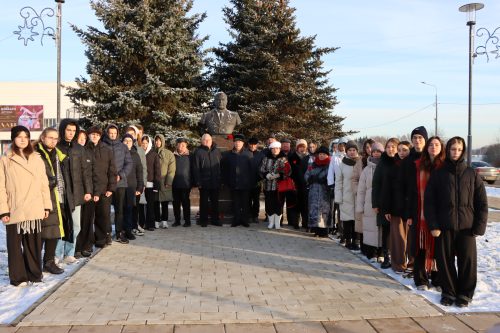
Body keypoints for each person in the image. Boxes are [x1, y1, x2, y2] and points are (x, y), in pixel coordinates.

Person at [425, 137, 488, 307]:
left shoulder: (471, 174)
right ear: (448, 150)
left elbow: (482, 203)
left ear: (463, 151)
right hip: (444, 227)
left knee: (467, 262)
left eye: (459, 149)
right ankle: (449, 292)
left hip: (467, 228)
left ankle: (465, 294)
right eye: (453, 149)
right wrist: (433, 225)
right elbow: (429, 202)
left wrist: (479, 226)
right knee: (445, 262)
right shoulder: (438, 174)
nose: (456, 152)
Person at [0, 126, 51, 286]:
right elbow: (1, 186)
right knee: (14, 246)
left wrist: (46, 206)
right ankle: (18, 277)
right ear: (13, 138)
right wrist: (3, 210)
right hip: (15, 208)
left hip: (34, 207)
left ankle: (34, 274)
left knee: (33, 244)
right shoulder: (5, 159)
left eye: (26, 136)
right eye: (19, 136)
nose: (23, 139)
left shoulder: (37, 158)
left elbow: (44, 183)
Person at [408, 136, 445, 290]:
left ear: (441, 148)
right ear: (427, 147)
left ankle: (437, 279)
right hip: (420, 213)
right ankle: (421, 279)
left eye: (437, 145)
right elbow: (411, 191)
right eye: (431, 145)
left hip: (440, 213)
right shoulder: (417, 166)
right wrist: (410, 214)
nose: (433, 147)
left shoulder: (445, 166)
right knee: (421, 246)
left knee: (438, 247)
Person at [56, 119, 93, 264]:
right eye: (68, 130)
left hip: (77, 193)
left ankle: (69, 252)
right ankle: (57, 254)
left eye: (73, 131)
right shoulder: (57, 147)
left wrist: (88, 190)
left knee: (76, 225)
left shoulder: (79, 149)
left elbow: (86, 172)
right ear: (63, 130)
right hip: (62, 194)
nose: (71, 133)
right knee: (61, 226)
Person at [35, 128, 69, 275]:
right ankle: (35, 263)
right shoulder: (36, 153)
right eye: (50, 138)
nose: (53, 141)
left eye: (56, 139)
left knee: (54, 231)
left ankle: (48, 262)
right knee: (40, 233)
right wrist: (50, 182)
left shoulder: (57, 154)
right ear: (42, 138)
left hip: (56, 196)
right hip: (41, 196)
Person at [374, 138, 407, 272]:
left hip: (397, 203)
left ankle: (397, 256)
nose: (391, 149)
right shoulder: (382, 163)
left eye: (393, 147)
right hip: (384, 202)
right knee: (386, 230)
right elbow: (375, 184)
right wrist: (375, 203)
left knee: (397, 232)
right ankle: (386, 256)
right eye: (388, 147)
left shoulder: (400, 162)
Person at [400, 126, 428, 278]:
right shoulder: (407, 161)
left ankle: (431, 270)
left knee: (429, 241)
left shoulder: (430, 157)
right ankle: (416, 270)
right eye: (415, 138)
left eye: (420, 138)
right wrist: (406, 212)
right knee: (415, 241)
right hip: (413, 207)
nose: (417, 140)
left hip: (430, 206)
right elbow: (402, 188)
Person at [86, 126, 117, 248]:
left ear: (100, 136)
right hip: (88, 190)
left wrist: (111, 188)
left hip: (104, 190)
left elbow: (112, 170)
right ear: (89, 135)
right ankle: (88, 242)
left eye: (97, 135)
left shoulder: (107, 150)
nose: (95, 137)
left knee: (102, 216)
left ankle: (101, 240)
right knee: (88, 218)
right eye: (92, 134)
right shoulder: (84, 149)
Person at [102, 124, 132, 244]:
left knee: (119, 209)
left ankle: (119, 232)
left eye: (115, 133)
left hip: (120, 183)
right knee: (106, 210)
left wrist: (121, 175)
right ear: (107, 133)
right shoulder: (103, 145)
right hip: (106, 184)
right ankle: (107, 233)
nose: (113, 135)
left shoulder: (123, 147)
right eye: (110, 133)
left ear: (117, 133)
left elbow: (129, 163)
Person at [357, 141, 384, 261]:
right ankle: (372, 252)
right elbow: (361, 190)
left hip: (383, 202)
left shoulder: (386, 167)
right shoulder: (366, 170)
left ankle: (382, 252)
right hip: (369, 203)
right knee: (370, 229)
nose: (376, 153)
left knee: (382, 229)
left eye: (379, 151)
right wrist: (360, 206)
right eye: (374, 151)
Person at [221, 134, 253, 227]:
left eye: (240, 142)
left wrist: (250, 182)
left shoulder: (248, 154)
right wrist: (226, 181)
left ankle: (244, 220)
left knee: (245, 203)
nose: (238, 143)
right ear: (233, 143)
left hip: (245, 184)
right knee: (236, 203)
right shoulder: (228, 155)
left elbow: (252, 170)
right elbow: (225, 169)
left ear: (243, 143)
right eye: (236, 142)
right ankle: (236, 220)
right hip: (233, 183)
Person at [192, 134, 222, 227]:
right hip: (204, 182)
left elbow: (221, 166)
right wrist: (198, 182)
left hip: (215, 181)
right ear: (201, 141)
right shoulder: (198, 152)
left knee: (215, 202)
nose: (207, 141)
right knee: (203, 202)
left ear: (211, 140)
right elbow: (195, 168)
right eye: (204, 140)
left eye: (208, 140)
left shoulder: (217, 151)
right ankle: (203, 220)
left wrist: (220, 179)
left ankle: (215, 220)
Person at [259, 141, 291, 230]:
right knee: (269, 204)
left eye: (277, 148)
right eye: (273, 148)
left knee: (278, 205)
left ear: (279, 149)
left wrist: (279, 175)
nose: (275, 150)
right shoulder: (266, 158)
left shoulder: (283, 159)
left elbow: (288, 171)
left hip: (279, 187)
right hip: (268, 186)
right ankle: (271, 222)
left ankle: (277, 223)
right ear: (271, 149)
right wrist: (266, 175)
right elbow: (261, 169)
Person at [335, 140, 359, 249]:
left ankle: (356, 241)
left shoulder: (361, 162)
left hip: (358, 196)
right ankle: (348, 241)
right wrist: (339, 197)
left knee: (357, 220)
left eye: (354, 150)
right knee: (348, 220)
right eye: (350, 150)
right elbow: (338, 181)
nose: (352, 152)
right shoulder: (342, 164)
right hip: (346, 196)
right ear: (346, 151)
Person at [75, 129, 95, 258]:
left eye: (84, 137)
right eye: (80, 137)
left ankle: (87, 245)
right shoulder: (73, 152)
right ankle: (77, 247)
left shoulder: (90, 152)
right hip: (76, 193)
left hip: (89, 192)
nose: (82, 140)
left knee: (87, 220)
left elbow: (95, 173)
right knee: (77, 221)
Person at [352, 138, 375, 252]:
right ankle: (363, 246)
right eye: (367, 147)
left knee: (373, 225)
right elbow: (354, 178)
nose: (369, 149)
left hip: (374, 198)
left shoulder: (381, 161)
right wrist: (358, 191)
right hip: (362, 196)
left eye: (371, 146)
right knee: (362, 223)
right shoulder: (360, 161)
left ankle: (373, 249)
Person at [125, 125, 147, 236]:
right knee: (128, 207)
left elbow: (142, 168)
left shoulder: (139, 149)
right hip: (125, 184)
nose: (131, 136)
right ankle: (129, 227)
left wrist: (142, 183)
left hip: (137, 183)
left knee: (136, 206)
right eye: (129, 133)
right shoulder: (123, 147)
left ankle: (135, 225)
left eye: (133, 134)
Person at [305, 146, 331, 237]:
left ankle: (324, 231)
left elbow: (332, 177)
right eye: (320, 154)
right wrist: (310, 179)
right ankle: (315, 229)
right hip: (313, 191)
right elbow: (306, 175)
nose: (322, 156)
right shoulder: (313, 164)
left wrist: (325, 180)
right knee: (314, 210)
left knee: (324, 211)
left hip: (325, 192)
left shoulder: (330, 165)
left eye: (324, 154)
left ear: (327, 155)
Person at [122, 134, 144, 240]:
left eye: (129, 141)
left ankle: (128, 230)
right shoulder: (118, 154)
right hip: (120, 186)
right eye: (125, 141)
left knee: (129, 209)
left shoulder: (135, 155)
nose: (127, 143)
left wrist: (140, 187)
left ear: (132, 143)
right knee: (120, 209)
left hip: (131, 186)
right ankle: (120, 230)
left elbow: (140, 171)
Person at [154, 134, 176, 229]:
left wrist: (169, 181)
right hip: (155, 182)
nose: (158, 142)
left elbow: (172, 169)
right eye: (156, 140)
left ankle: (164, 221)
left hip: (164, 182)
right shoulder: (152, 152)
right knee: (155, 202)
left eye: (159, 140)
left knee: (164, 203)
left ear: (163, 141)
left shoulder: (168, 153)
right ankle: (156, 220)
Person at [140, 135, 161, 231]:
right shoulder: (138, 153)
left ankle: (150, 224)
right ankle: (141, 223)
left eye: (146, 143)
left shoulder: (154, 154)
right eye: (143, 143)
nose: (144, 145)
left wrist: (156, 185)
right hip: (140, 184)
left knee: (150, 205)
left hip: (150, 184)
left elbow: (157, 170)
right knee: (140, 205)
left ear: (149, 144)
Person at [288, 139, 310, 229]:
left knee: (305, 205)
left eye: (303, 147)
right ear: (297, 148)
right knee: (296, 204)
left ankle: (305, 223)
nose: (302, 149)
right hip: (295, 184)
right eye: (300, 147)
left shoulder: (309, 157)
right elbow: (289, 170)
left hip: (306, 184)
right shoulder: (292, 157)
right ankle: (295, 223)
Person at [172, 138, 192, 227]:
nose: (181, 146)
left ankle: (187, 221)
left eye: (183, 145)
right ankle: (177, 220)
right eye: (179, 144)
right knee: (176, 203)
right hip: (175, 183)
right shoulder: (173, 155)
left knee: (185, 203)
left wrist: (193, 182)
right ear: (176, 145)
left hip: (186, 183)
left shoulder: (191, 156)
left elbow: (194, 169)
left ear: (186, 146)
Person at [248, 137, 263, 223]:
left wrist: (260, 178)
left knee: (256, 199)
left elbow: (262, 166)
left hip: (257, 180)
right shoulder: (245, 153)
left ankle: (255, 215)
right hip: (247, 180)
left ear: (257, 145)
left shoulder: (260, 154)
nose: (253, 146)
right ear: (249, 144)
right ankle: (249, 215)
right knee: (248, 199)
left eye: (254, 144)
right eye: (251, 144)